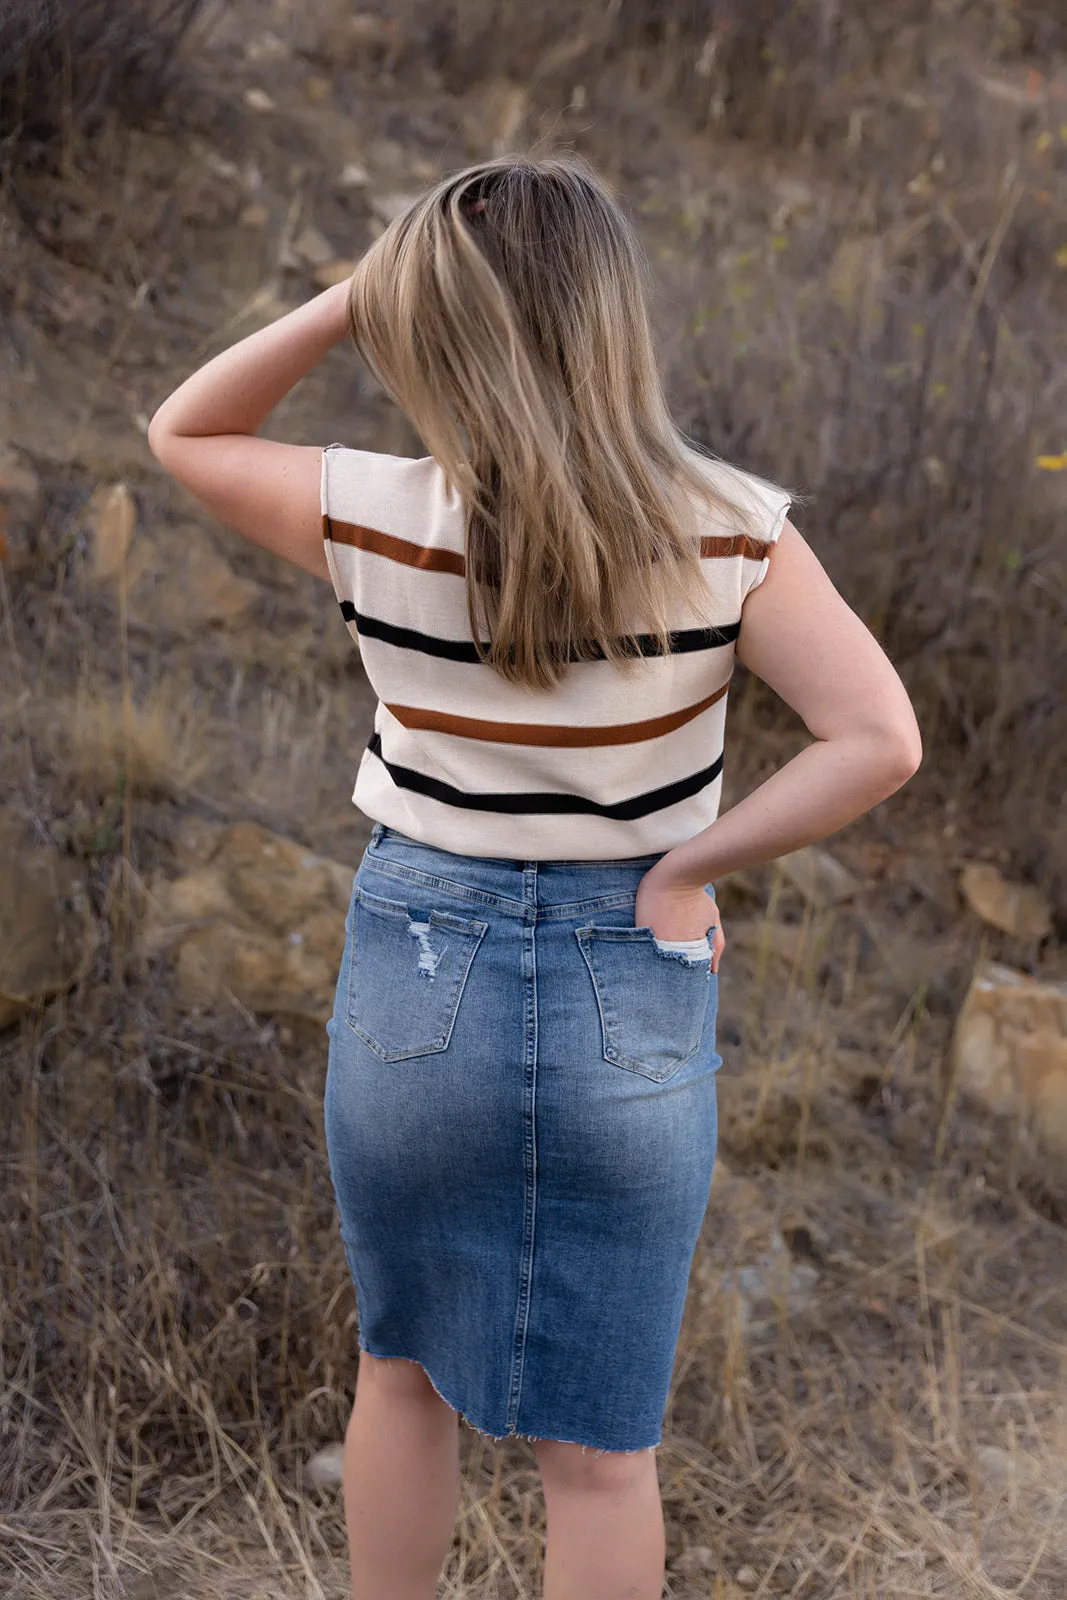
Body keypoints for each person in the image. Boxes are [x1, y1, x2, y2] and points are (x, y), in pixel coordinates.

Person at [149, 152, 921, 1600]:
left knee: (399, 1377)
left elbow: (184, 429)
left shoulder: (378, 511)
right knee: (601, 1455)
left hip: (412, 969)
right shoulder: (730, 525)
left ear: (430, 320)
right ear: (612, 314)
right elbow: (878, 739)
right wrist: (693, 861)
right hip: (628, 975)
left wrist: (343, 302)